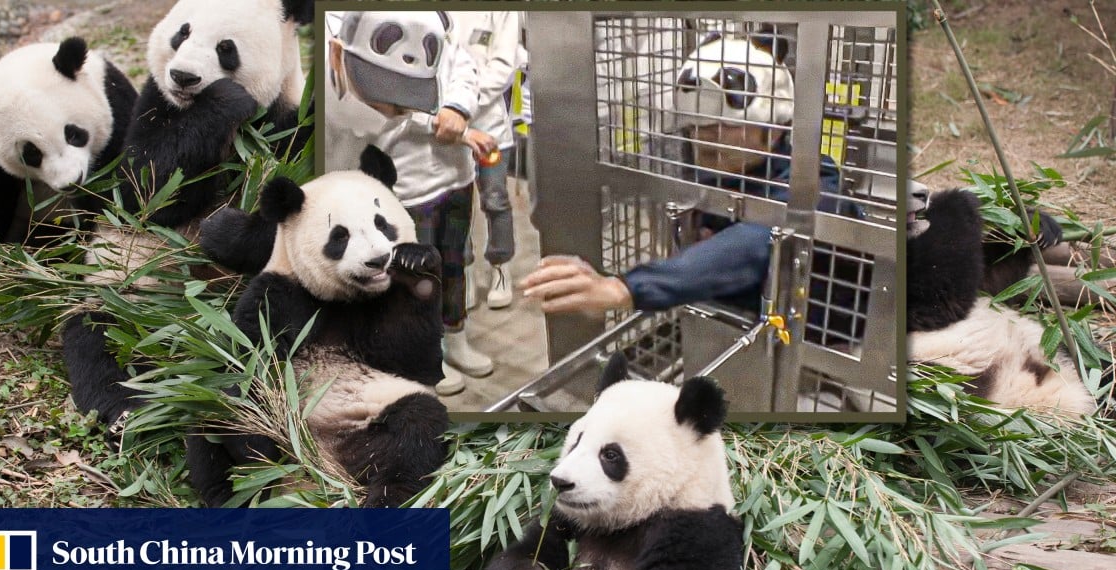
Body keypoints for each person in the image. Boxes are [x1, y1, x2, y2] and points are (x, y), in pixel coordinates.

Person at [521, 28, 862, 318]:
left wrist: (626, 288)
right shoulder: (719, 175)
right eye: (697, 126)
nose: (705, 137)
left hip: (828, 340)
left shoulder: (815, 181)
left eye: (723, 125)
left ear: (774, 128)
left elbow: (758, 241)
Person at [326, 11, 498, 396]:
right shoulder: (354, 33)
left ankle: (456, 338)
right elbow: (381, 110)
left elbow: (464, 67)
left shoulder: (439, 25)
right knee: (413, 279)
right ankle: (425, 352)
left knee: (454, 262)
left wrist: (458, 108)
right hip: (405, 187)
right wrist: (443, 125)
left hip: (456, 177)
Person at [454, 11, 521, 310]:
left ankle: (501, 267)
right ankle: (463, 271)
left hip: (489, 126)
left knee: (495, 198)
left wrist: (462, 102)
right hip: (452, 131)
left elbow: (503, 66)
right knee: (457, 202)